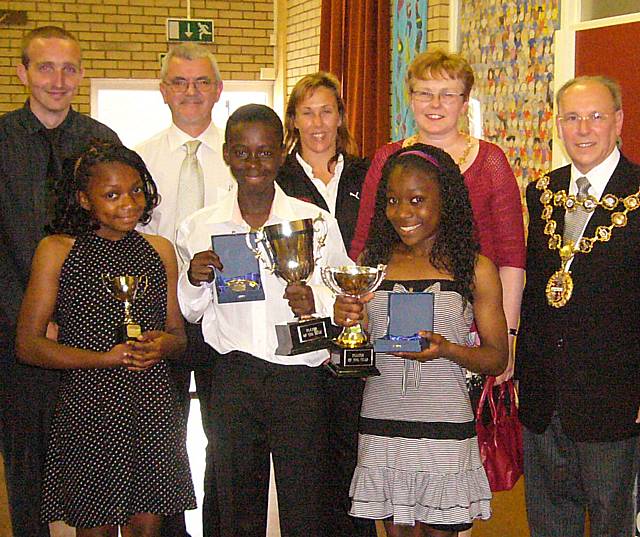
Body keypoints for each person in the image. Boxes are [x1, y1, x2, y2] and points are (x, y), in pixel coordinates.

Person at [176, 104, 352, 537]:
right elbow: (192, 311)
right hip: (233, 375)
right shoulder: (198, 226)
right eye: (242, 152)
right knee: (236, 501)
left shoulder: (314, 221)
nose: (253, 163)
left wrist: (316, 301)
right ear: (226, 155)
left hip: (300, 376)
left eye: (265, 152)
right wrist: (195, 278)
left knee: (307, 501)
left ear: (281, 153)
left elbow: (343, 291)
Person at [14, 141, 196, 536]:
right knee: (95, 528)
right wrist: (105, 359)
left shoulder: (159, 250)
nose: (128, 203)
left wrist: (163, 345)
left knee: (148, 526)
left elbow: (179, 336)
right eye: (111, 195)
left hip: (150, 404)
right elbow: (27, 344)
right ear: (84, 199)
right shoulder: (58, 251)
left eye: (135, 190)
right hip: (88, 404)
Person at [334, 143, 508, 536]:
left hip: (443, 428)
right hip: (382, 423)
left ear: (445, 201)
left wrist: (447, 349)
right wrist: (343, 322)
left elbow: (496, 358)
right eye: (393, 201)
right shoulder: (370, 266)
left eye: (417, 200)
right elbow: (354, 350)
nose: (403, 213)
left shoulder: (474, 268)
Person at [0, 26, 120, 537]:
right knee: (27, 468)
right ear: (21, 72)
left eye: (69, 68)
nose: (58, 79)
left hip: (90, 337)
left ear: (81, 74)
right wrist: (31, 323)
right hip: (14, 334)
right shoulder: (0, 142)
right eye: (45, 67)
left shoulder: (102, 144)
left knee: (98, 466)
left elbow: (117, 238)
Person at [350, 50, 524, 386]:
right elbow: (363, 244)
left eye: (447, 94)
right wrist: (357, 323)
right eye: (424, 93)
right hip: (394, 318)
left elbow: (511, 257)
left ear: (465, 101)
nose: (435, 104)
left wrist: (508, 337)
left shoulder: (490, 161)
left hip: (474, 326)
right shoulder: (387, 158)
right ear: (410, 99)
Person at [516, 75, 640, 537]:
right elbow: (534, 293)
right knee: (548, 522)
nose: (583, 129)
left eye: (595, 117)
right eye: (571, 118)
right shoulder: (542, 193)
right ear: (558, 125)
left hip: (615, 399)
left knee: (613, 522)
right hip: (544, 398)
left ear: (618, 122)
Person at [136, 42, 234, 537]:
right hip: (158, 319)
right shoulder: (139, 159)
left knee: (225, 437)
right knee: (161, 436)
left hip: (225, 318)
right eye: (179, 82)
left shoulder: (241, 157)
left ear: (218, 90)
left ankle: (219, 527)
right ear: (163, 91)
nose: (190, 92)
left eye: (201, 82)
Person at [276, 71, 375, 537]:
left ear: (341, 116)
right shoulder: (276, 177)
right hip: (305, 323)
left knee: (353, 446)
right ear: (293, 119)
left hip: (360, 322)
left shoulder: (367, 172)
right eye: (307, 112)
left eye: (327, 111)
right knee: (310, 451)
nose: (317, 123)